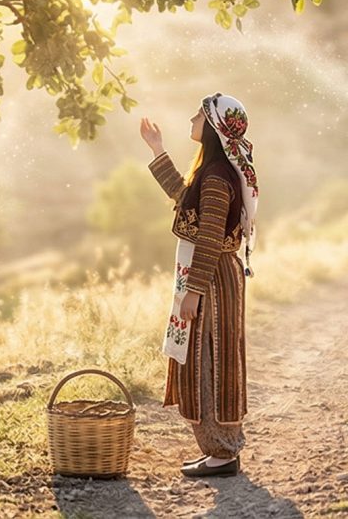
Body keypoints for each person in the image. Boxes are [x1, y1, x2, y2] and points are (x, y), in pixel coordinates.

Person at [139, 93, 258, 478]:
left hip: (211, 279)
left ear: (211, 127)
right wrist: (157, 150)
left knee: (210, 360)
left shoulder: (217, 176)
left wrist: (193, 291)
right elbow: (182, 196)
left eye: (199, 115)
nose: (192, 118)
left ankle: (222, 452)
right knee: (206, 359)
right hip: (215, 276)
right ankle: (218, 449)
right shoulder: (212, 173)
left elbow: (208, 236)